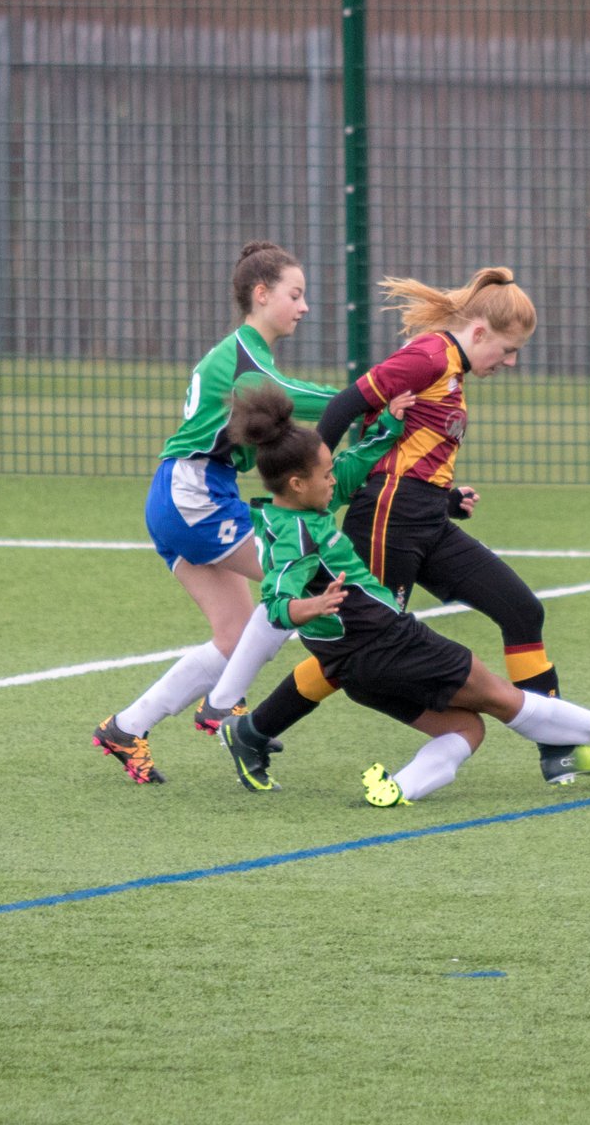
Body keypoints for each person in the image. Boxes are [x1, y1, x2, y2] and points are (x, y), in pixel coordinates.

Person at [204, 265, 590, 785]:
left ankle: (556, 745)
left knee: (522, 610)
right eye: (506, 348)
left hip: (423, 517)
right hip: (389, 518)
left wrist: (446, 497)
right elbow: (348, 404)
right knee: (366, 645)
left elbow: (411, 447)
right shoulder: (429, 355)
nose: (511, 360)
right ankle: (253, 729)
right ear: (479, 333)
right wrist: (309, 487)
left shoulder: (452, 368)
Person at [221, 382, 590, 805]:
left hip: (352, 667)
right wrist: (307, 607)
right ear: (298, 484)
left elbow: (358, 460)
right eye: (326, 473)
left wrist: (389, 428)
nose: (335, 479)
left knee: (465, 729)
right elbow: (276, 603)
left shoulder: (290, 511)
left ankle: (398, 788)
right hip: (386, 643)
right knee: (501, 697)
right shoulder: (294, 535)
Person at [91, 240, 345, 784]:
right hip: (195, 495)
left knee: (233, 636)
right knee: (294, 584)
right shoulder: (248, 360)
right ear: (261, 294)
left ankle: (125, 728)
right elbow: (300, 399)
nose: (304, 307)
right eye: (295, 295)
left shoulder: (247, 357)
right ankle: (223, 707)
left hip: (182, 493)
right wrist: (366, 397)